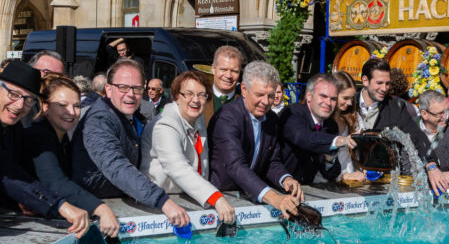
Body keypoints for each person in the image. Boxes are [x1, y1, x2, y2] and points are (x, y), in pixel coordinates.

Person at [0, 61, 89, 238]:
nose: (20, 105)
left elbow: (18, 171)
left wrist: (22, 202)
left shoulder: (13, 126)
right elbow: (0, 171)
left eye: (28, 100)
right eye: (13, 94)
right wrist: (58, 205)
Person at [71, 59, 190, 228]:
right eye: (123, 87)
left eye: (137, 88)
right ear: (109, 89)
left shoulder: (133, 116)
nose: (130, 94)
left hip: (118, 201)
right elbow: (116, 165)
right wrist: (162, 200)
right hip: (94, 210)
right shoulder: (99, 120)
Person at [24, 74, 120, 237]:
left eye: (76, 105)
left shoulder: (62, 134)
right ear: (45, 106)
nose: (71, 112)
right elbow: (55, 181)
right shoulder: (39, 134)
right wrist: (101, 208)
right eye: (62, 105)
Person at [208, 61, 303, 218]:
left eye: (270, 96)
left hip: (253, 196)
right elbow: (235, 165)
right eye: (259, 95)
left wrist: (285, 178)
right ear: (244, 89)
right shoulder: (227, 117)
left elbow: (272, 161)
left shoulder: (271, 118)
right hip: (224, 198)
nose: (265, 102)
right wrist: (274, 198)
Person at [141, 71, 235, 223]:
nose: (196, 100)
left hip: (188, 197)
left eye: (201, 95)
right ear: (177, 96)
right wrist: (216, 198)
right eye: (189, 94)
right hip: (162, 205)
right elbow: (178, 167)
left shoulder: (198, 118)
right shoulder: (165, 124)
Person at [357, 58, 442, 187]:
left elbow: (417, 137)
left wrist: (431, 165)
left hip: (380, 182)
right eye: (379, 83)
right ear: (365, 81)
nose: (384, 88)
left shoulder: (395, 106)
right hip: (346, 176)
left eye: (387, 83)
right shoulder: (348, 103)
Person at [279, 73, 355, 184]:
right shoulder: (293, 113)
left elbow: (331, 174)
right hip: (277, 188)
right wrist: (336, 141)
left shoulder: (331, 125)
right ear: (309, 96)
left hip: (307, 191)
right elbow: (303, 137)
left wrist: (330, 159)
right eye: (323, 96)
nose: (328, 103)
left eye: (333, 99)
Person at [332, 71, 366, 184]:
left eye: (352, 98)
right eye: (345, 98)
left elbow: (364, 149)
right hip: (325, 182)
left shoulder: (354, 117)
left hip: (351, 178)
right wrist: (342, 176)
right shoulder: (322, 119)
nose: (350, 103)